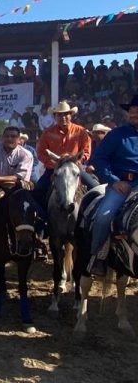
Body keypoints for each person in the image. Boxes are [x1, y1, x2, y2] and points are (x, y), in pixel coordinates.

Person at [89, 95, 138, 276]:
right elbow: (99, 159)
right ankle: (98, 257)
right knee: (103, 216)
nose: (133, 114)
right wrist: (113, 180)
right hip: (121, 182)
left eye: (136, 111)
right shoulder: (117, 134)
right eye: (131, 111)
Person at [35, 101, 97, 207]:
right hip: (53, 169)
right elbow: (40, 153)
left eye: (66, 114)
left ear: (71, 115)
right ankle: (41, 218)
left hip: (74, 168)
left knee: (95, 188)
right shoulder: (47, 133)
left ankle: (90, 218)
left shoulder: (81, 131)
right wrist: (53, 164)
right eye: (59, 114)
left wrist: (77, 161)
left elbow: (86, 151)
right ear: (55, 116)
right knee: (37, 191)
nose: (63, 117)